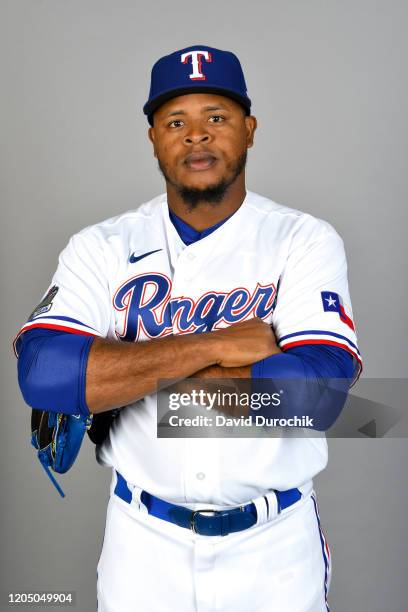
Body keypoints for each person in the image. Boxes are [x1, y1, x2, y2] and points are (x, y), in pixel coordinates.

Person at [15, 45, 362, 611]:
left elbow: (314, 397)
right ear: (153, 136)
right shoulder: (100, 246)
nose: (196, 136)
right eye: (176, 121)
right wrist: (218, 345)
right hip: (141, 548)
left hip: (273, 551)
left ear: (249, 130)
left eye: (216, 119)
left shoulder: (303, 239)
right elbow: (44, 374)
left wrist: (121, 375)